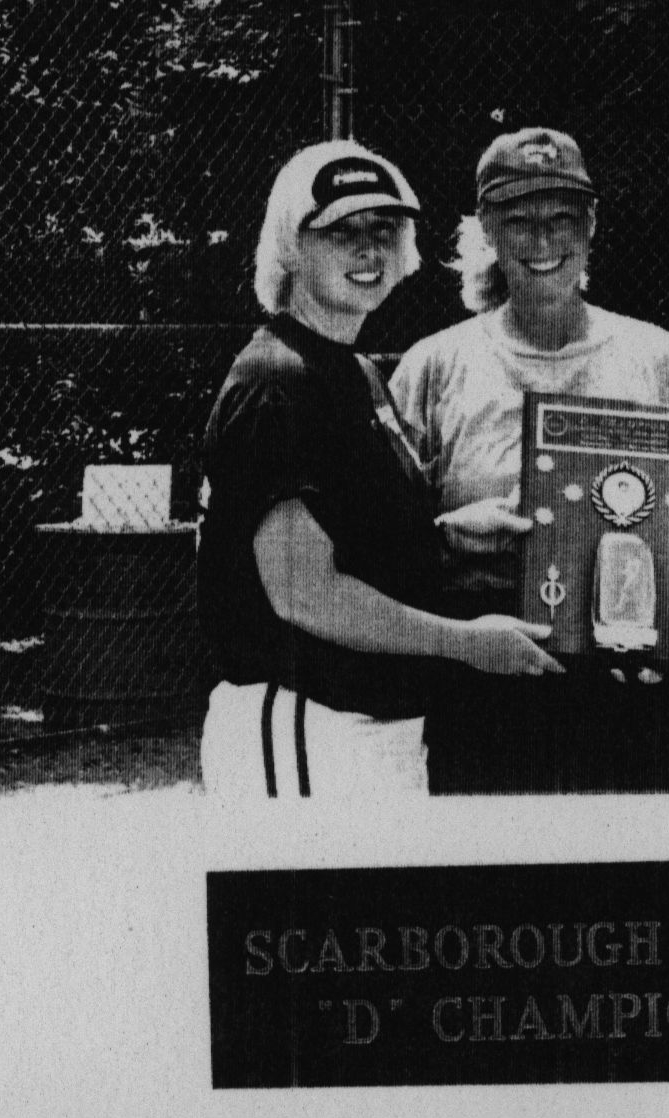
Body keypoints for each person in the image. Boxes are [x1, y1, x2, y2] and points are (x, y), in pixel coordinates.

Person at [197, 139, 558, 801]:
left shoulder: (353, 372)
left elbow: (359, 539)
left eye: (383, 229)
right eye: (341, 231)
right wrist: (466, 643)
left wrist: (447, 533)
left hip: (367, 723)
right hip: (308, 719)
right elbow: (303, 591)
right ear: (292, 246)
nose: (368, 250)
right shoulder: (277, 381)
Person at [390, 127, 669, 793]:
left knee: (634, 888)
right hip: (489, 664)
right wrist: (445, 536)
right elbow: (380, 545)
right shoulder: (433, 364)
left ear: (591, 226)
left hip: (628, 664)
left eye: (563, 219)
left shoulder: (656, 354)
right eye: (520, 221)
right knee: (497, 888)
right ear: (486, 230)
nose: (543, 243)